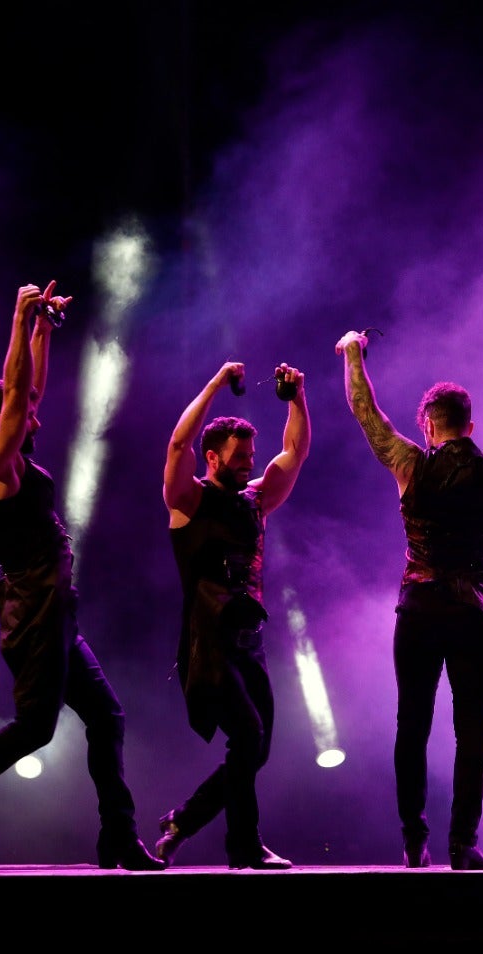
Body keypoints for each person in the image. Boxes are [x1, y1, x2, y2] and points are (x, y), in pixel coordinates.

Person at [0, 281, 164, 871]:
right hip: (35, 615)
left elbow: (28, 390)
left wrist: (43, 328)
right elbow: (20, 392)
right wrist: (20, 318)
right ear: (4, 422)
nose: (35, 412)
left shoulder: (15, 454)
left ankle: (119, 839)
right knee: (34, 729)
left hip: (56, 612)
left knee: (107, 717)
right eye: (22, 412)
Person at [338, 330, 483, 871]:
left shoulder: (408, 464)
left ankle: (413, 839)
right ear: (471, 426)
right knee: (472, 732)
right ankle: (463, 844)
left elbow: (365, 412)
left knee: (412, 725)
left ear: (427, 425)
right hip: (472, 614)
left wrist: (352, 352)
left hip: (420, 610)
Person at [154, 358, 310, 869]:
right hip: (209, 644)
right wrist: (218, 383)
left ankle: (182, 821)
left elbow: (295, 453)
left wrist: (297, 398)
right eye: (239, 456)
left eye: (250, 456)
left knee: (255, 749)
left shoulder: (254, 501)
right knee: (247, 736)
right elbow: (177, 446)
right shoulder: (188, 501)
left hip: (248, 645)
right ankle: (243, 847)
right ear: (213, 457)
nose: (248, 463)